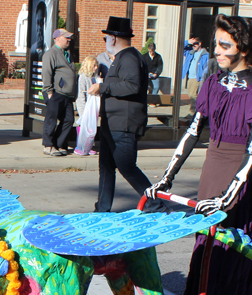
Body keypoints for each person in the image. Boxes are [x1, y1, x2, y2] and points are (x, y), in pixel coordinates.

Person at [146, 14, 252, 295]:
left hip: (238, 179)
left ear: (243, 49)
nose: (216, 51)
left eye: (224, 45)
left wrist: (228, 196)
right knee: (206, 253)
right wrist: (165, 177)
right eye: (216, 44)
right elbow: (192, 132)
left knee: (234, 254)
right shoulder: (213, 83)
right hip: (212, 172)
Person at [87, 16, 167, 213]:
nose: (105, 42)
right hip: (111, 123)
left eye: (106, 38)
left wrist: (102, 87)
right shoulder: (121, 58)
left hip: (123, 124)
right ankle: (102, 209)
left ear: (113, 39)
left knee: (127, 166)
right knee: (106, 168)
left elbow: (132, 85)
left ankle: (155, 203)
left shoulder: (130, 58)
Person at [41, 28, 77, 157]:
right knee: (51, 120)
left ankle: (59, 143)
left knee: (68, 119)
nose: (69, 39)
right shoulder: (51, 53)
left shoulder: (66, 53)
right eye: (66, 37)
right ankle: (48, 145)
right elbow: (46, 73)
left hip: (67, 94)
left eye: (69, 37)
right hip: (56, 93)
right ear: (57, 38)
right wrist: (49, 91)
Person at [75, 55, 98, 156]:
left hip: (92, 106)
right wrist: (82, 111)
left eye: (96, 65)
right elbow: (80, 95)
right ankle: (79, 146)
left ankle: (88, 147)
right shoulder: (83, 77)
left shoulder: (94, 78)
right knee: (83, 127)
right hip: (85, 107)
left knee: (90, 128)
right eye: (94, 65)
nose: (96, 67)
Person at [182, 38, 208, 115]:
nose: (193, 46)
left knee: (193, 95)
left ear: (200, 43)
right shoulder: (190, 52)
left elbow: (207, 66)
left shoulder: (205, 54)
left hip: (197, 78)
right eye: (192, 44)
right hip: (190, 77)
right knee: (190, 94)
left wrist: (203, 77)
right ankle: (198, 110)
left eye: (195, 44)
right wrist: (187, 42)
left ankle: (193, 112)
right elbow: (180, 47)